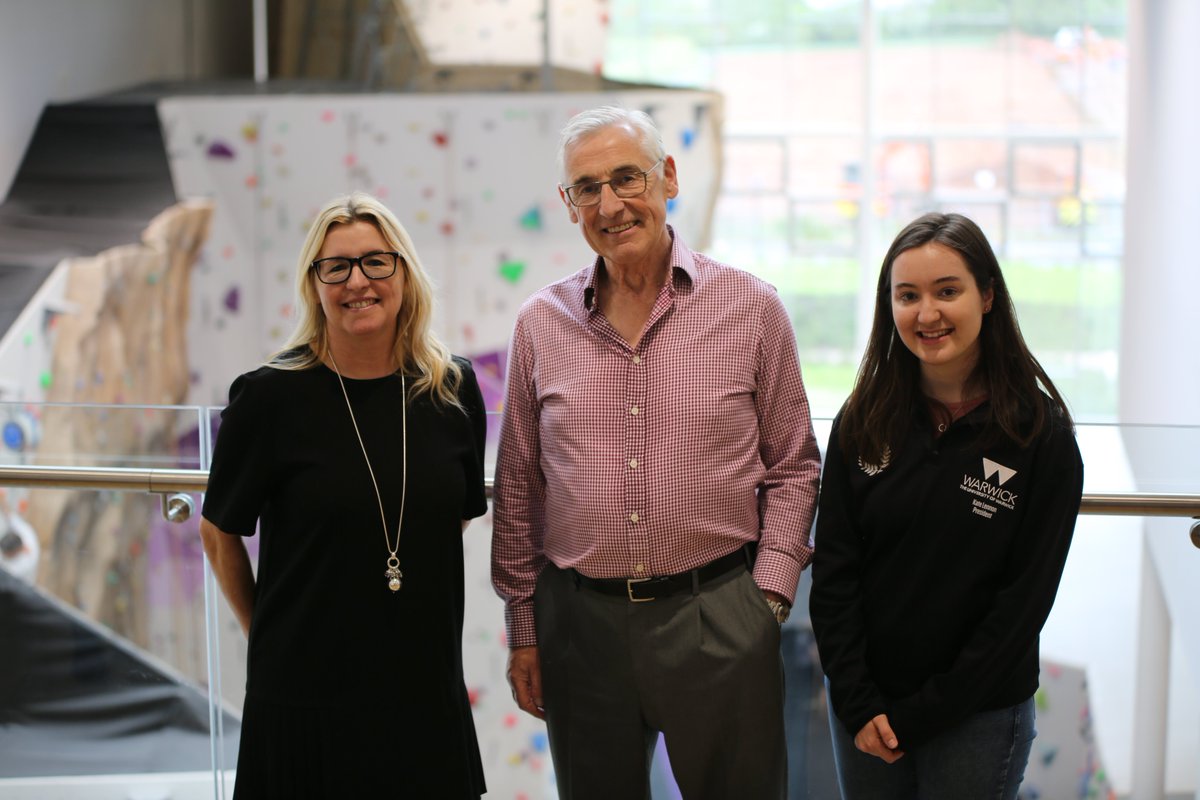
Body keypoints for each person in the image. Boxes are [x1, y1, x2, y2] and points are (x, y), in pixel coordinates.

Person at [491, 106, 821, 799]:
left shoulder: (751, 309)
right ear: (568, 203)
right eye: (587, 188)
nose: (609, 205)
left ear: (667, 177)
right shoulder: (540, 324)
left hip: (719, 610)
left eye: (626, 178)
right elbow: (520, 486)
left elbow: (794, 465)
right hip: (580, 626)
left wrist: (767, 598)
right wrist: (526, 627)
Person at [199, 193, 488, 798]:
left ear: (403, 273)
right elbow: (219, 530)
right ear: (315, 283)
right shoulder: (269, 398)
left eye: (375, 262)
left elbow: (447, 516)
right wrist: (268, 635)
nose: (357, 281)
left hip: (422, 691)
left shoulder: (452, 389)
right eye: (336, 267)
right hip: (302, 697)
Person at [809, 212, 1084, 799]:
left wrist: (926, 713)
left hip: (978, 716)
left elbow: (1022, 604)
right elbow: (834, 573)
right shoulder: (863, 421)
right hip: (866, 713)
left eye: (947, 291)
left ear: (987, 295)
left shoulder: (1040, 436)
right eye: (907, 296)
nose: (926, 313)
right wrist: (857, 701)